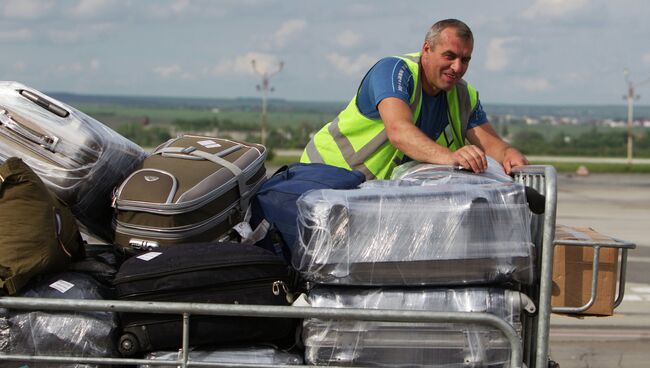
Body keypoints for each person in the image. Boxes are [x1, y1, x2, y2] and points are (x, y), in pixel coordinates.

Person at [300, 18, 528, 180]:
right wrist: (452, 157)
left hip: (367, 193)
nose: (457, 67)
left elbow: (490, 143)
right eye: (449, 56)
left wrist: (509, 155)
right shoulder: (394, 71)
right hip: (324, 176)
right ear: (426, 49)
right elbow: (399, 131)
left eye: (465, 59)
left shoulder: (463, 95)